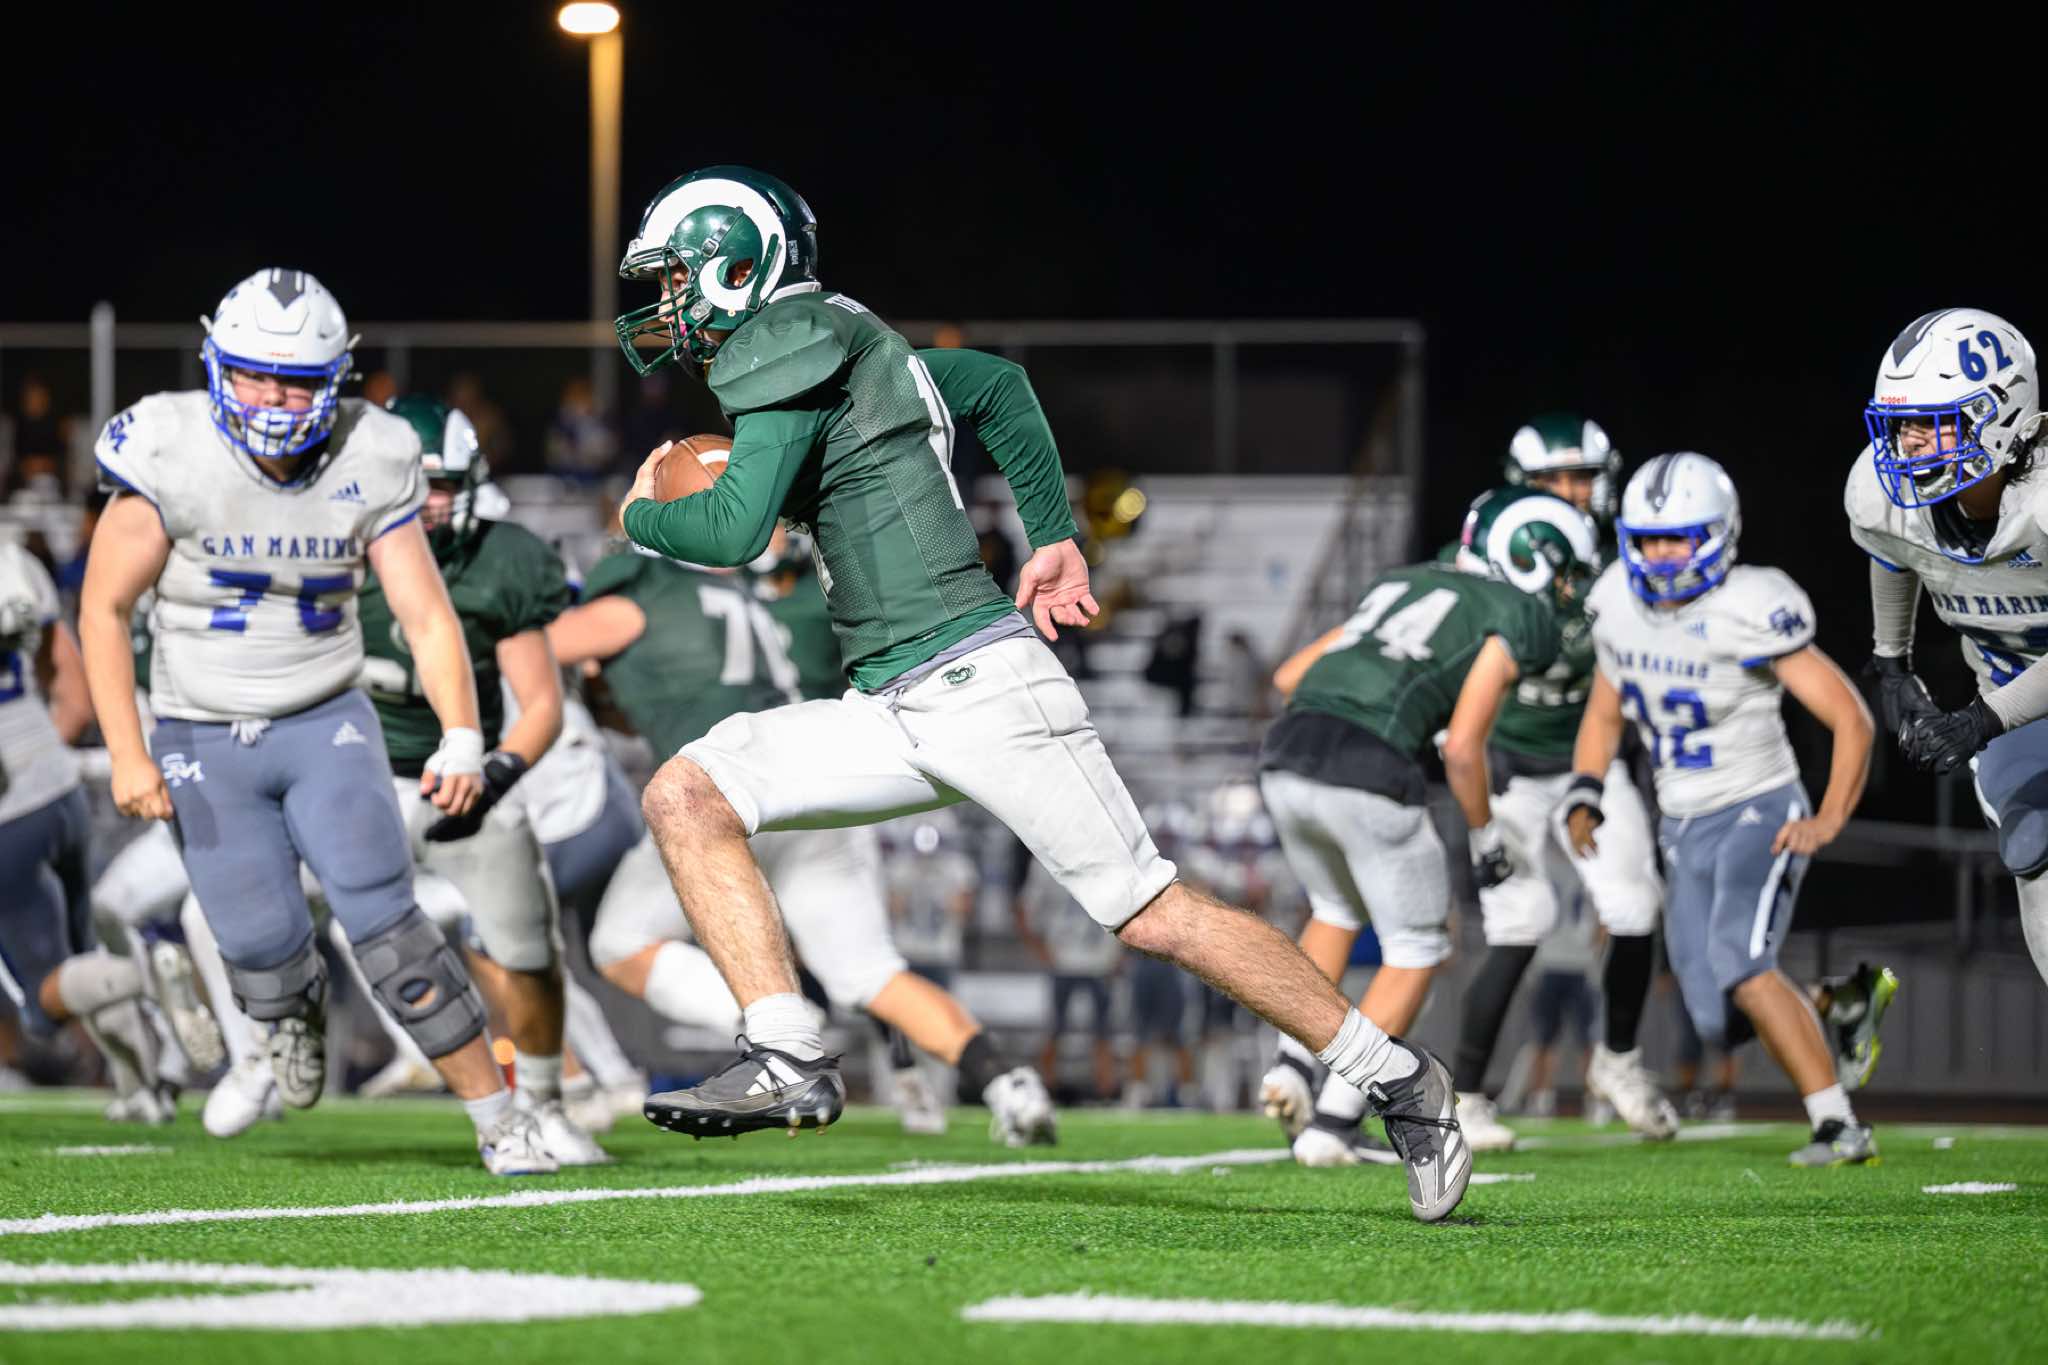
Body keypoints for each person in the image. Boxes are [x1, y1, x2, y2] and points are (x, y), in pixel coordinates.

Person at [610, 165, 1467, 1221]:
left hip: (979, 685)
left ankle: (1396, 1077)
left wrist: (640, 514)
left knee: (1152, 913)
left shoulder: (785, 338)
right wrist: (1053, 534)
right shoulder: (851, 342)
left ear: (735, 267)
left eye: (675, 277)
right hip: (889, 702)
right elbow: (997, 387)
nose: (667, 305)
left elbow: (733, 528)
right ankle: (786, 1050)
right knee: (686, 793)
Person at [77, 268, 554, 1175]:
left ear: (335, 380)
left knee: (389, 926)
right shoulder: (167, 443)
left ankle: (501, 1118)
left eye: (295, 381)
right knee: (257, 944)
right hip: (199, 728)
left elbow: (425, 613)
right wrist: (127, 752)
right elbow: (102, 609)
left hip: (322, 717)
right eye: (253, 375)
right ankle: (284, 1019)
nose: (271, 398)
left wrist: (462, 734)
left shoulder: (371, 449)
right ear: (217, 366)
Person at [550, 439, 1057, 1147]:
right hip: (806, 786)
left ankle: (781, 1027)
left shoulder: (646, 590)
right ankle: (1006, 1080)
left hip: (720, 796)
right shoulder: (744, 594)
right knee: (871, 972)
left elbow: (533, 650)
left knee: (618, 943)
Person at [1256, 487, 1595, 1166]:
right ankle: (1334, 1121)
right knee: (1416, 946)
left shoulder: (1402, 582)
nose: (1566, 591)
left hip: (1287, 753)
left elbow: (1290, 676)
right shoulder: (1517, 610)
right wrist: (1485, 835)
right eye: (1564, 574)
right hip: (1367, 763)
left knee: (1334, 908)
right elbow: (1464, 747)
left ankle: (1291, 1064)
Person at [1565, 452, 1879, 1165]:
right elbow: (1605, 712)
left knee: (1741, 961)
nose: (1661, 555)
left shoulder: (1749, 604)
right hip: (1681, 824)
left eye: (1676, 538)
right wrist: (1586, 788)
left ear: (1717, 535)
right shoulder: (1617, 601)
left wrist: (1830, 816)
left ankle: (1838, 1124)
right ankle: (1839, 1001)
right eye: (1648, 540)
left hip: (1755, 807)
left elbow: (1851, 718)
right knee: (1715, 1017)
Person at [1447, 416, 1673, 1152]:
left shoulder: (1622, 566)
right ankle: (1467, 1096)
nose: (1571, 492)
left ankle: (1618, 1062)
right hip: (1509, 766)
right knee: (1518, 921)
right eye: (1553, 480)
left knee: (1636, 904)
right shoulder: (1483, 555)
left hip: (1587, 763)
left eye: (1581, 477)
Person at [1848, 308, 2048, 1006]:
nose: (1907, 444)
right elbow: (1892, 551)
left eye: (1929, 424)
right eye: (1901, 425)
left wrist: (1980, 720)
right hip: (2019, 698)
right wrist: (1892, 661)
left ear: (2000, 417)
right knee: (2032, 849)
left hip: (2002, 706)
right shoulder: (1885, 496)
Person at [1, 534, 168, 1119]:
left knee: (43, 997)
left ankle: (146, 977)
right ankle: (143, 1091)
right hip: (59, 786)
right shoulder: (15, 560)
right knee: (83, 960)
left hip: (7, 816)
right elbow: (73, 696)